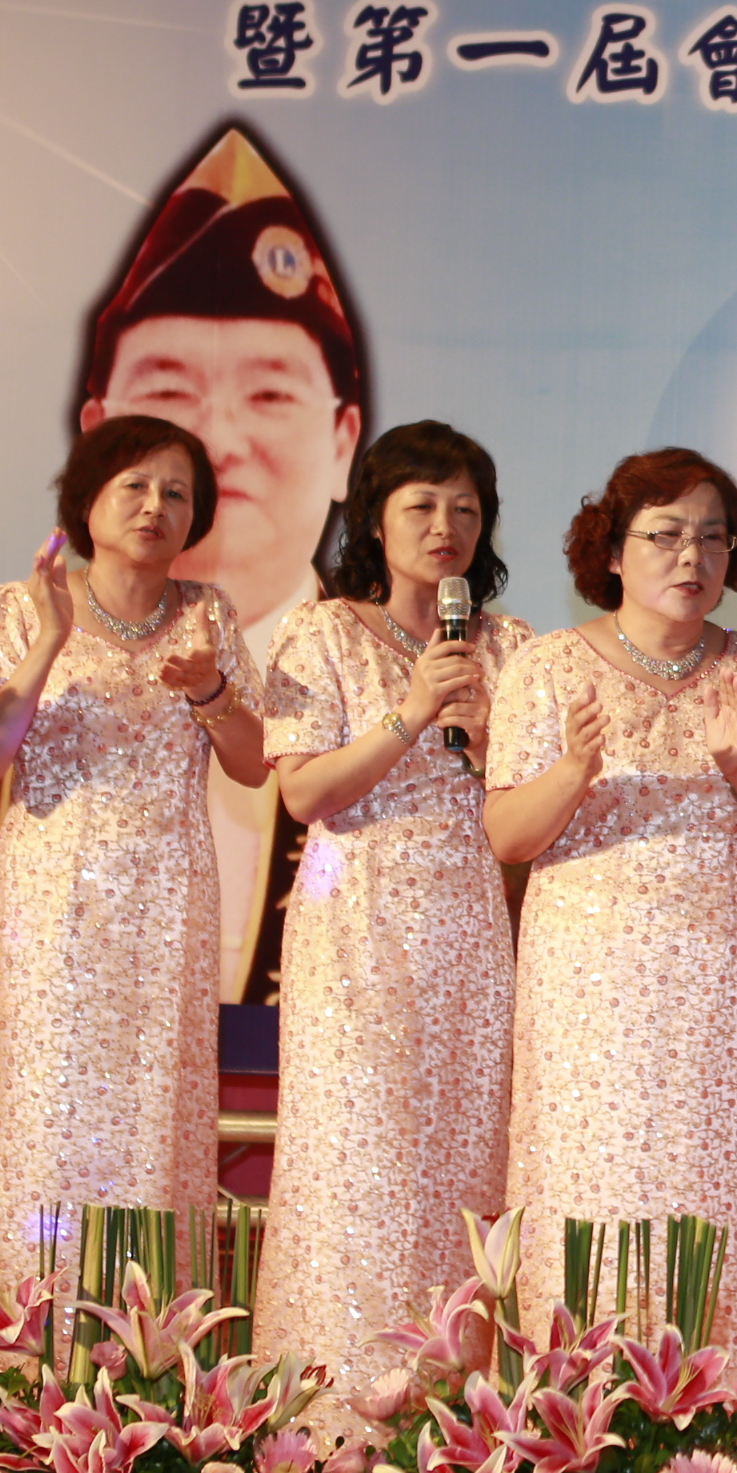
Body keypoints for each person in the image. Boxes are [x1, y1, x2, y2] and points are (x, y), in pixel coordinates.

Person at [0, 417, 267, 1325]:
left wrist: (210, 691)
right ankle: (28, 1343)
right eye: (135, 485)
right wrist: (48, 641)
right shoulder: (12, 609)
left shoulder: (207, 615)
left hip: (170, 902)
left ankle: (148, 1344)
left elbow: (255, 765)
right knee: (47, 1113)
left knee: (158, 1118)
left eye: (177, 492)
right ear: (87, 498)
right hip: (54, 903)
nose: (155, 506)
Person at [246, 421, 527, 1401]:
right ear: (374, 519)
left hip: (470, 927)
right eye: (422, 505)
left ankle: (450, 1396)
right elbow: (304, 792)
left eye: (466, 507)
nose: (446, 526)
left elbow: (530, 803)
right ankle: (334, 1396)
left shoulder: (513, 647)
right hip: (355, 925)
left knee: (463, 1157)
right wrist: (410, 712)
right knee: (358, 1154)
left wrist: (486, 740)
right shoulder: (321, 632)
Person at [484, 450, 737, 1357]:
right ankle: (576, 1398)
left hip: (723, 969)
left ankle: (709, 1402)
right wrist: (574, 770)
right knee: (594, 1177)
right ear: (612, 552)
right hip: (590, 979)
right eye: (665, 535)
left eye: (712, 538)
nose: (692, 556)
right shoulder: (547, 668)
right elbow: (507, 837)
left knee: (712, 1174)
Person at [74, 128, 369, 1003]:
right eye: (170, 392)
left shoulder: (382, 678)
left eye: (270, 393)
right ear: (97, 432)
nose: (217, 443)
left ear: (343, 441)